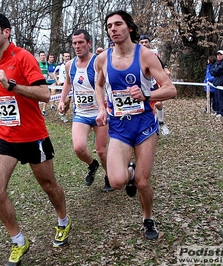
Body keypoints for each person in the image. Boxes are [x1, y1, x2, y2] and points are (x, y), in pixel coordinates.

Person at [0, 13, 71, 266]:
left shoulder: (23, 57)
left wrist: (11, 86)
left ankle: (63, 220)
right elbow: (6, 99)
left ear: (6, 32)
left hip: (33, 137)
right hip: (4, 135)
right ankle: (19, 241)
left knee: (49, 185)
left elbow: (43, 94)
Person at [95, 10, 176, 239]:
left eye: (118, 24)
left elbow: (170, 89)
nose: (113, 29)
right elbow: (99, 85)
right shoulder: (103, 59)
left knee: (142, 182)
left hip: (144, 125)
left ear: (129, 27)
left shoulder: (146, 55)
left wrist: (146, 94)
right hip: (119, 125)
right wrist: (101, 108)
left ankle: (147, 217)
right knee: (116, 181)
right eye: (109, 26)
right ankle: (128, 173)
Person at [58, 29, 112, 192]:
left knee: (102, 150)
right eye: (74, 43)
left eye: (81, 42)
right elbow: (68, 82)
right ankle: (92, 164)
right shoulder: (69, 65)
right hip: (81, 113)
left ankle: (109, 176)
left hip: (99, 112)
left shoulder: (98, 62)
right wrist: (62, 99)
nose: (77, 46)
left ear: (89, 43)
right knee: (79, 148)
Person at [139, 35, 171, 136]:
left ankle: (161, 123)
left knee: (158, 104)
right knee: (144, 106)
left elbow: (163, 66)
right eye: (142, 42)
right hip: (141, 85)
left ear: (149, 43)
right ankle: (148, 126)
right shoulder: (135, 55)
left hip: (153, 84)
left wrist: (166, 71)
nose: (144, 44)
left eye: (146, 42)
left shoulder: (153, 55)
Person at [54, 51, 71, 123]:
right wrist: (57, 81)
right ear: (63, 57)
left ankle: (63, 114)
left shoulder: (72, 64)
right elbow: (54, 73)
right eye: (66, 56)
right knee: (66, 100)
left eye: (68, 56)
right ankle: (60, 109)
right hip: (63, 85)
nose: (67, 58)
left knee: (68, 104)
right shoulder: (60, 65)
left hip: (70, 84)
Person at [210, 50, 223, 118]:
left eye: (220, 55)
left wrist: (216, 70)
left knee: (221, 98)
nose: (219, 56)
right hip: (216, 82)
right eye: (218, 55)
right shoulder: (217, 62)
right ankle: (217, 111)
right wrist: (216, 70)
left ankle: (222, 112)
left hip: (222, 82)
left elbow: (217, 70)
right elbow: (212, 70)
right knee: (216, 98)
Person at [38, 51, 49, 116]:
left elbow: (47, 72)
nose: (43, 57)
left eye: (44, 55)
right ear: (39, 57)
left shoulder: (47, 63)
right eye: (41, 55)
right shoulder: (37, 63)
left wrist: (50, 75)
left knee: (45, 96)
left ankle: (44, 110)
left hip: (46, 82)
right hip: (39, 82)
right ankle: (37, 109)